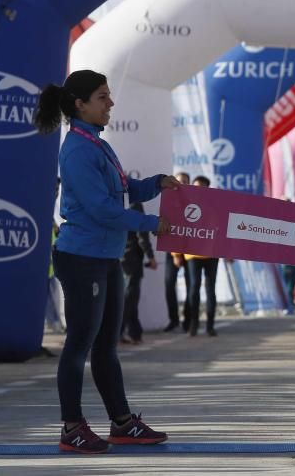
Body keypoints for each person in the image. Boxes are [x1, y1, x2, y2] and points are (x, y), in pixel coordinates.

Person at [33, 69, 179, 453]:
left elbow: (124, 188)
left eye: (109, 95)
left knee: (105, 347)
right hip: (82, 259)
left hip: (106, 257)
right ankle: (71, 428)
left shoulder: (97, 143)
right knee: (80, 344)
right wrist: (153, 224)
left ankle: (122, 423)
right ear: (80, 105)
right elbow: (100, 209)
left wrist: (157, 182)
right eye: (102, 97)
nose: (110, 103)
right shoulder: (78, 149)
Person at [185, 175, 220, 337]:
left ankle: (210, 325)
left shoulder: (215, 206)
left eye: (202, 187)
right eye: (196, 186)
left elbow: (223, 230)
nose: (198, 190)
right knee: (193, 289)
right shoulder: (186, 205)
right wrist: (176, 254)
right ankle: (193, 323)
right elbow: (179, 229)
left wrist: (228, 251)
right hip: (192, 255)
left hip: (212, 253)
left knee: (210, 289)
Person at [120, 200, 157, 345]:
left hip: (118, 256)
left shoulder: (114, 202)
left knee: (129, 297)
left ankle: (134, 333)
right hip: (131, 258)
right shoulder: (134, 205)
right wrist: (151, 257)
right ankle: (118, 332)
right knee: (130, 298)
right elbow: (142, 234)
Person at [163, 171, 191, 332]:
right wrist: (175, 254)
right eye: (180, 181)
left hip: (190, 249)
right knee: (169, 284)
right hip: (172, 250)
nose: (182, 184)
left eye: (185, 181)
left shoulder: (195, 201)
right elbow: (168, 227)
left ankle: (188, 319)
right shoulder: (169, 200)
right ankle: (173, 320)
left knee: (191, 285)